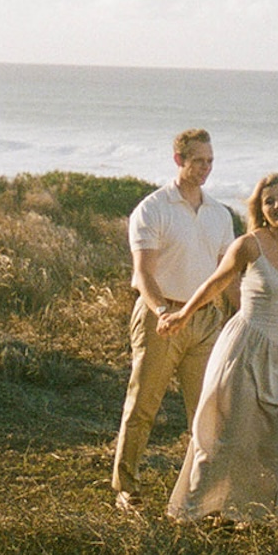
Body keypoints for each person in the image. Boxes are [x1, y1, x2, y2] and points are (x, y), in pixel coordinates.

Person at [161, 172, 278, 525]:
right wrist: (183, 315)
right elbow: (216, 282)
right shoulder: (249, 245)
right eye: (269, 201)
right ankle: (190, 514)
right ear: (260, 210)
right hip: (246, 349)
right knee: (226, 437)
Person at [111, 128, 235, 514]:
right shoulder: (153, 208)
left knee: (206, 412)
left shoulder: (220, 214)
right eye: (198, 160)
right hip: (160, 319)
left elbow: (224, 277)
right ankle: (125, 488)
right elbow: (142, 275)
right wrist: (163, 312)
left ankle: (205, 495)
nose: (205, 168)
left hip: (205, 321)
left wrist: (245, 316)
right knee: (143, 405)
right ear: (178, 160)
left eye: (210, 161)